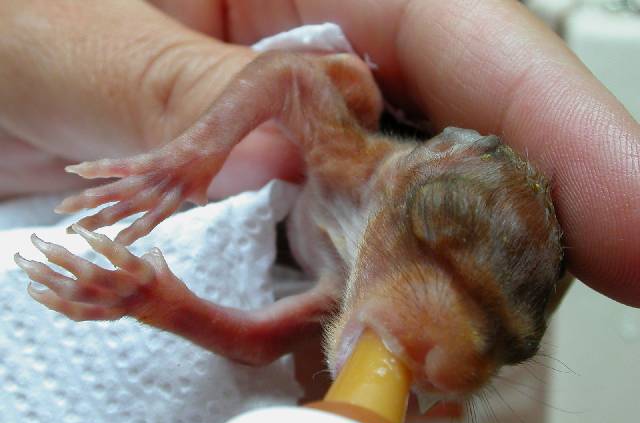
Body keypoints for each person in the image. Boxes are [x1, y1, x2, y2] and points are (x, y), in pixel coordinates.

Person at [1, 0, 638, 307]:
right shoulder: (352, 154)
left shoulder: (341, 287)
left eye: (501, 348)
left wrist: (153, 300)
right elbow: (290, 76)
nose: (442, 369)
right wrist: (192, 152)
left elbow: (254, 343)